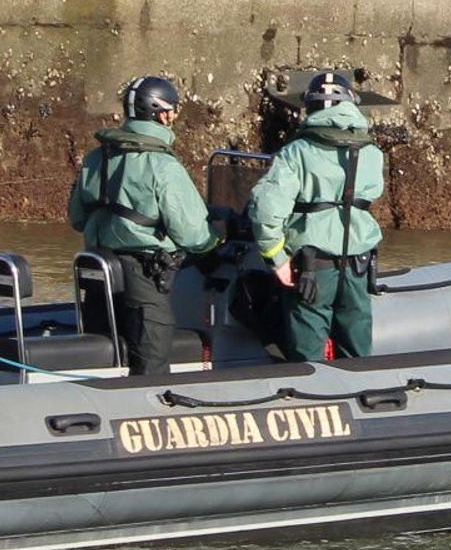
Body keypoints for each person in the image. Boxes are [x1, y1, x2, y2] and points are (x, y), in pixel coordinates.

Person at [68, 76, 220, 375]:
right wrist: (217, 240)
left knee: (101, 359)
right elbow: (193, 234)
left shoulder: (97, 157)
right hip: (145, 275)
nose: (174, 118)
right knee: (152, 359)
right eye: (173, 111)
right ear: (161, 114)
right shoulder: (163, 166)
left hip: (99, 273)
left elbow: (78, 218)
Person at [246, 71, 384, 362]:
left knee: (307, 356)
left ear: (308, 107)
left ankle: (313, 403)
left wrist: (276, 258)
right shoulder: (372, 152)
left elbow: (265, 209)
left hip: (312, 267)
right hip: (359, 266)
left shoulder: (297, 152)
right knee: (358, 351)